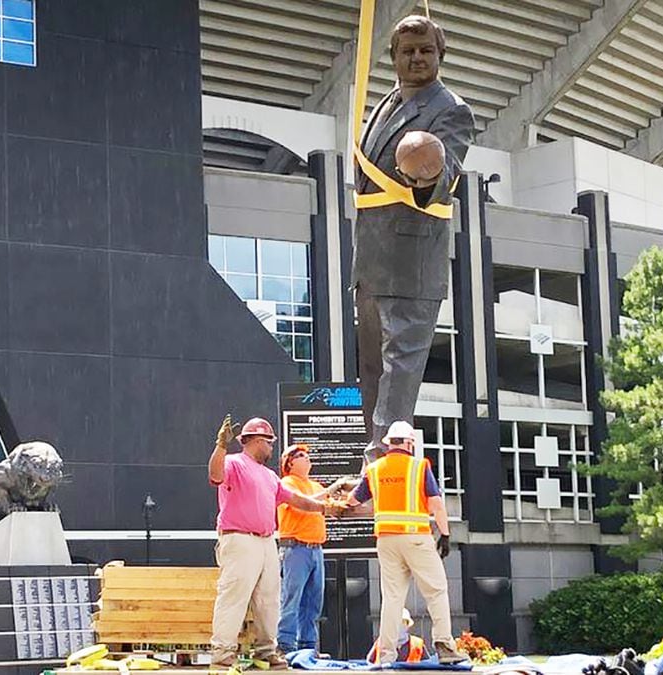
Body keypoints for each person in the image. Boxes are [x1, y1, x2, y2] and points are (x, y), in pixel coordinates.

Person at [352, 15, 476, 461]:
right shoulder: (386, 102)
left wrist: (426, 172)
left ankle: (384, 464)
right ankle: (373, 461)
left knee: (398, 372)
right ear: (394, 58)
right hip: (371, 262)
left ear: (440, 54)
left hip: (411, 261)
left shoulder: (452, 110)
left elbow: (446, 174)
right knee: (371, 372)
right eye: (408, 51)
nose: (418, 57)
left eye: (426, 49)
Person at [207, 415, 336, 669]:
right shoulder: (234, 463)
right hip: (239, 538)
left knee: (269, 598)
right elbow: (215, 474)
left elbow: (295, 499)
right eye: (269, 442)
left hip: (266, 541)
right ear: (256, 441)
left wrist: (325, 508)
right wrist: (221, 446)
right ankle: (223, 653)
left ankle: (266, 650)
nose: (271, 448)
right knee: (234, 596)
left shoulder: (269, 476)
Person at [343, 420, 468, 664]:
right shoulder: (419, 467)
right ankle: (444, 646)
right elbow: (436, 504)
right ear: (410, 443)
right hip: (416, 538)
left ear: (389, 443)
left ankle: (386, 656)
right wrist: (445, 534)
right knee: (436, 590)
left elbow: (352, 501)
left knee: (392, 598)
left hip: (387, 540)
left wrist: (345, 488)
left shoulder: (374, 469)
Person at [275, 443, 351, 654]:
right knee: (292, 598)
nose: (307, 458)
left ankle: (307, 646)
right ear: (290, 462)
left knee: (313, 603)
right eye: (301, 455)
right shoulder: (286, 483)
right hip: (295, 548)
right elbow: (302, 502)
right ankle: (285, 645)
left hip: (316, 549)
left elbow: (333, 503)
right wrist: (332, 489)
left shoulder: (316, 486)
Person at [365, 608, 429, 664]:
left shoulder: (418, 644)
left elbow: (428, 666)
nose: (399, 626)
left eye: (403, 622)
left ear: (407, 625)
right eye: (396, 622)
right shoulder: (382, 642)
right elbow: (369, 664)